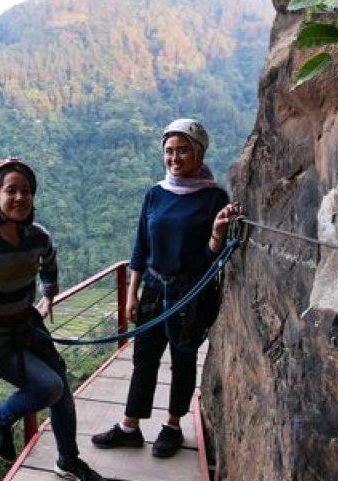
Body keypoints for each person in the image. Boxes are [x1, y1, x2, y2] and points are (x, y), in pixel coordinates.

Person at [0, 158, 106, 481]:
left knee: (62, 392)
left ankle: (68, 460)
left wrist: (49, 294)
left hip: (28, 327)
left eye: (26, 191)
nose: (20, 197)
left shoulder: (36, 235)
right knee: (50, 387)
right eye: (11, 190)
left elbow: (49, 258)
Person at [91, 119, 240, 458]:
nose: (174, 158)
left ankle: (172, 425)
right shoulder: (155, 194)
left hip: (190, 292)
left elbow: (212, 256)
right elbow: (141, 246)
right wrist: (132, 293)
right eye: (169, 151)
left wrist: (217, 234)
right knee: (144, 357)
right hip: (154, 288)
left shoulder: (214, 197)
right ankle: (130, 426)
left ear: (199, 154)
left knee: (182, 358)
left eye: (183, 150)